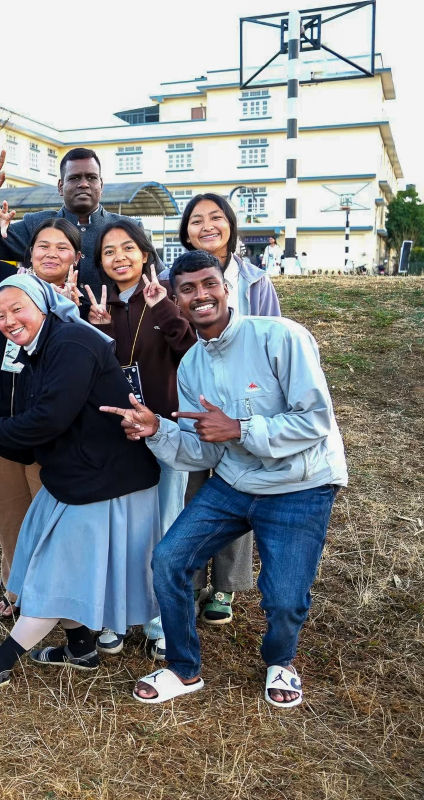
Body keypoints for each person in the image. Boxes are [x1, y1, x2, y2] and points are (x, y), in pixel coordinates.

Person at [104, 250, 347, 708]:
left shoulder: (281, 336)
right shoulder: (192, 364)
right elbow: (204, 451)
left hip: (301, 484)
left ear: (226, 287)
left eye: (208, 284)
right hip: (234, 482)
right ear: (176, 301)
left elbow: (316, 419)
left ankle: (281, 661)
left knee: (284, 598)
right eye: (188, 289)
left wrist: (239, 428)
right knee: (169, 560)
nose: (201, 295)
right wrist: (158, 430)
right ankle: (183, 668)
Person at [0, 274, 163, 697]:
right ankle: (81, 649)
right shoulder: (40, 350)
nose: (8, 320)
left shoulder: (72, 343)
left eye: (17, 309)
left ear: (43, 306)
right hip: (76, 475)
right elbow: (36, 415)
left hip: (106, 480)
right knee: (49, 563)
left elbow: (49, 419)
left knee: (56, 575)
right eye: (0, 315)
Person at [163, 192, 282, 628]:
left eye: (216, 217)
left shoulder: (255, 280)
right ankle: (191, 577)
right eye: (196, 220)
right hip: (192, 391)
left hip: (247, 400)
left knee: (241, 482)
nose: (207, 226)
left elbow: (274, 332)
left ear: (231, 225)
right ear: (185, 231)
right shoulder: (167, 278)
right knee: (192, 488)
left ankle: (226, 585)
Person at [85, 219, 197, 660]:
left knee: (167, 529)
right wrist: (98, 328)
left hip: (165, 431)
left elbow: (192, 354)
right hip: (118, 436)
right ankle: (115, 618)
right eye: (109, 251)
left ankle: (161, 622)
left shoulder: (167, 299)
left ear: (145, 254)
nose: (119, 257)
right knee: (120, 530)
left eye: (128, 247)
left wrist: (163, 308)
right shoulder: (97, 306)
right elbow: (100, 373)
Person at [0, 212, 85, 617]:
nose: (51, 254)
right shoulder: (6, 289)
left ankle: (59, 596)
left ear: (76, 257)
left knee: (53, 519)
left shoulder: (84, 298)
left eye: (62, 247)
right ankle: (15, 587)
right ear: (30, 252)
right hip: (3, 426)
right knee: (10, 514)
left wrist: (74, 316)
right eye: (43, 246)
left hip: (52, 434)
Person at [0, 146, 125, 303]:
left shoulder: (126, 229)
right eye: (74, 178)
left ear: (101, 185)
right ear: (60, 186)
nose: (84, 184)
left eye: (91, 177)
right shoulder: (36, 225)